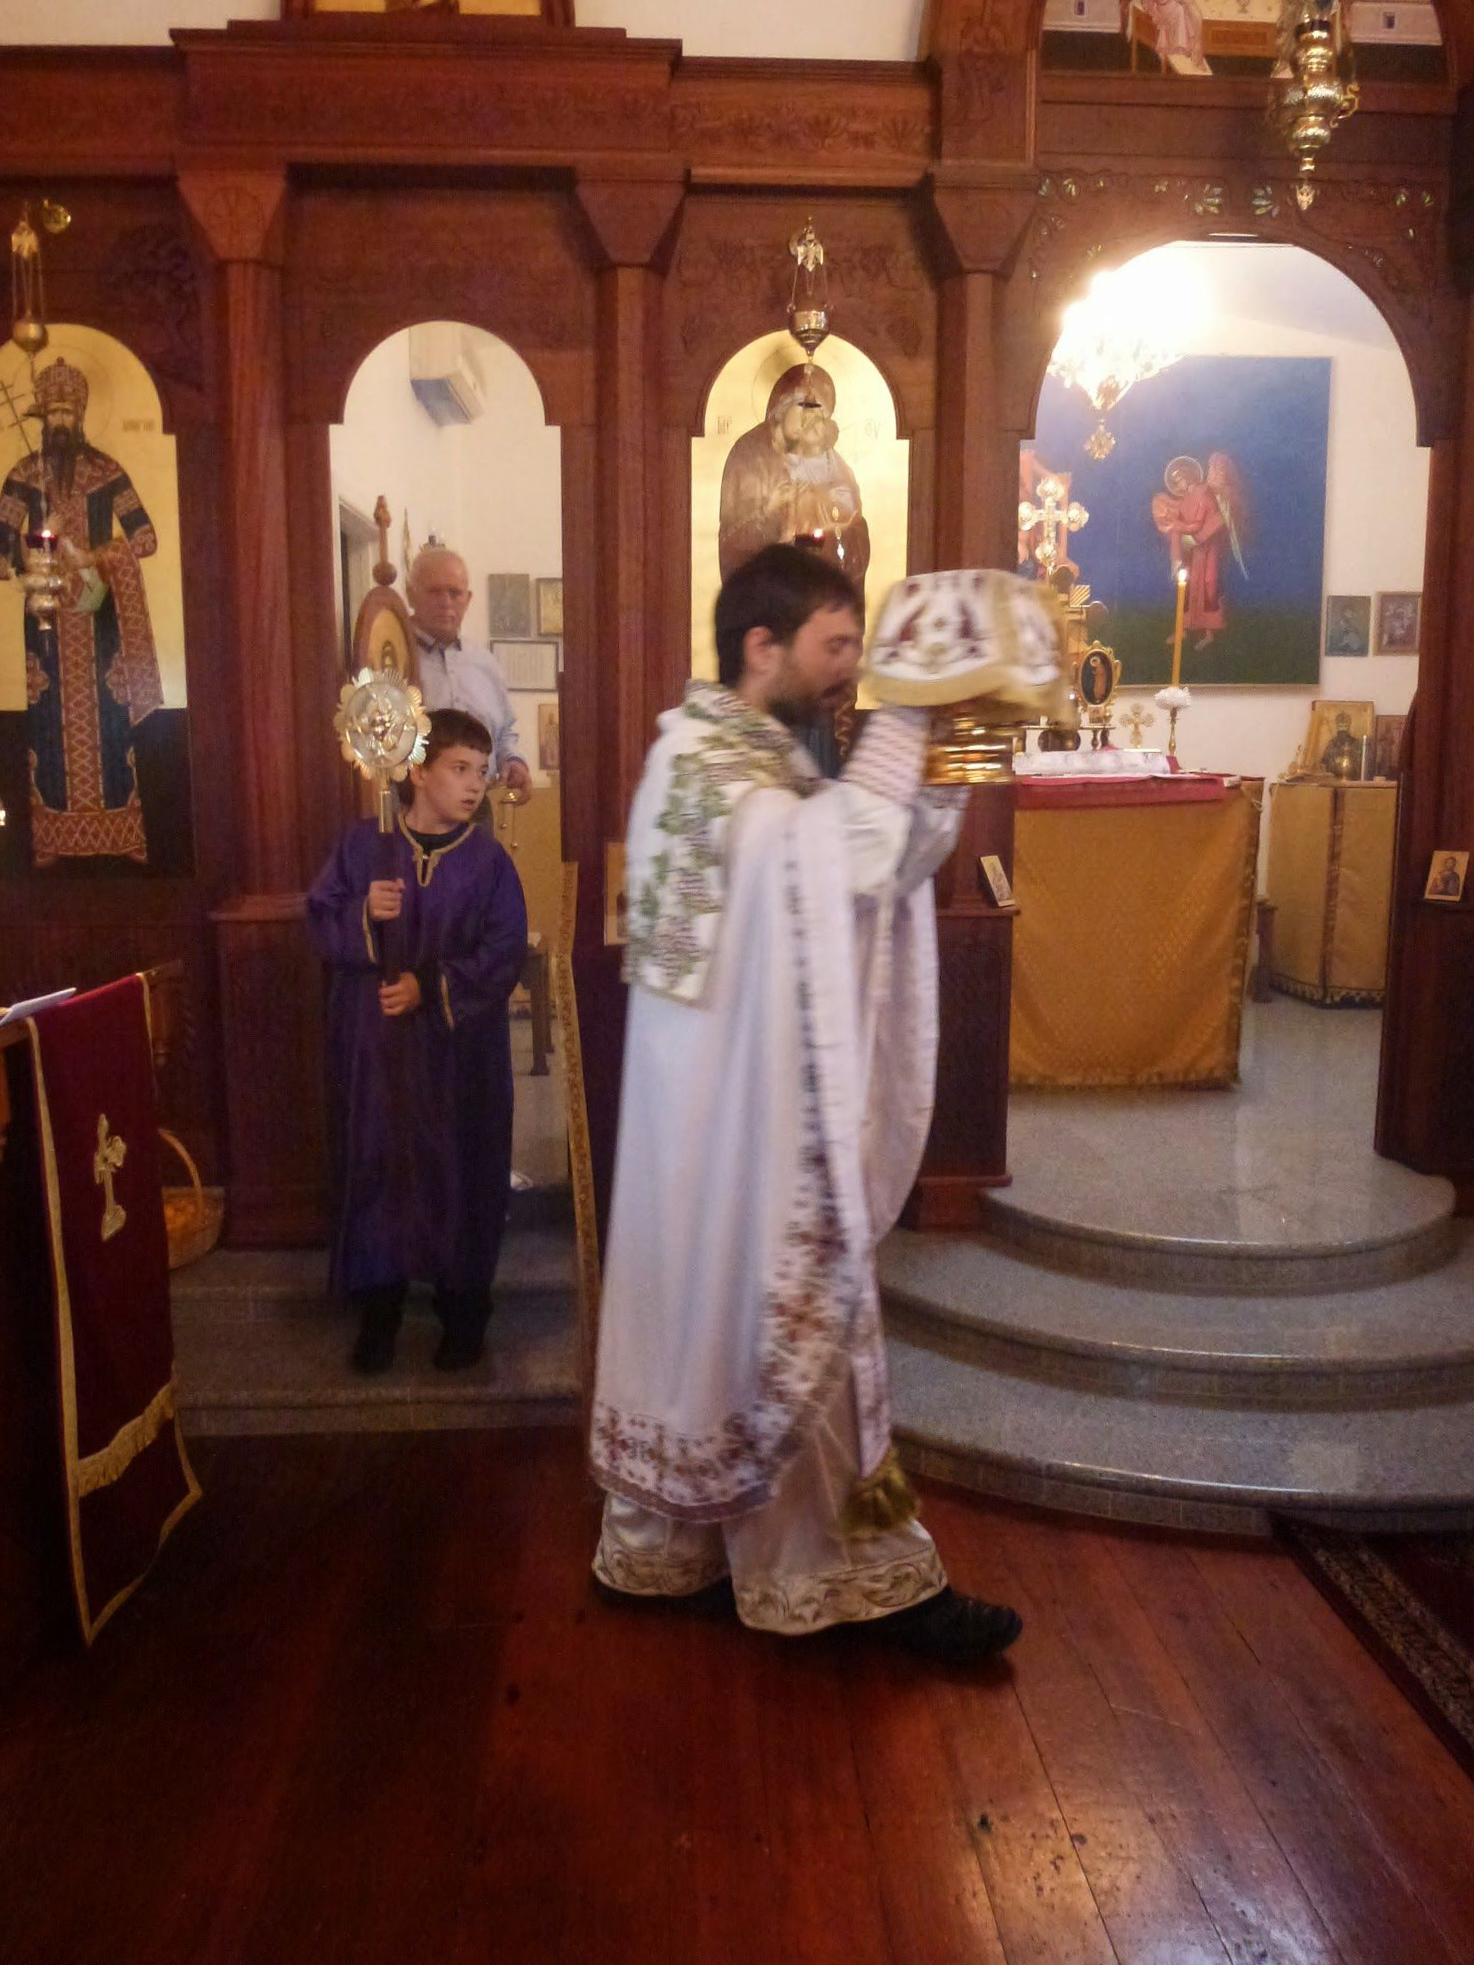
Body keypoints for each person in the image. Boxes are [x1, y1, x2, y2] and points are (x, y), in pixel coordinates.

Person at [589, 542, 1022, 1667]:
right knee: (795, 1330)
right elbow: (828, 860)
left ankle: (674, 1550)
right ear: (761, 646)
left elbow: (861, 865)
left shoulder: (742, 765)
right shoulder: (706, 772)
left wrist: (938, 763)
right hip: (738, 1127)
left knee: (712, 1336)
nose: (848, 671)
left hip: (718, 1118)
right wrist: (910, 720)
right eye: (835, 646)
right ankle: (866, 1581)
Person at [306, 707, 528, 1374]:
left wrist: (428, 986)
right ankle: (379, 1312)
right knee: (381, 1169)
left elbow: (504, 951)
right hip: (378, 1051)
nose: (475, 784)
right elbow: (319, 917)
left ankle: (463, 1313)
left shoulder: (489, 862)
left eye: (481, 771)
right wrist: (363, 915)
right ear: (418, 772)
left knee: (460, 1171)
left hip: (459, 1058)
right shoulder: (363, 846)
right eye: (459, 768)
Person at [0, 355, 164, 866]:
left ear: (81, 415)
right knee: (49, 722)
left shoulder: (106, 472)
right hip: (46, 616)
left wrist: (94, 556)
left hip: (101, 614)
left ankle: (122, 834)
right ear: (42, 417)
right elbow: (0, 550)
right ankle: (52, 839)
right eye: (52, 412)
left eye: (67, 412)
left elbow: (145, 537)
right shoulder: (23, 475)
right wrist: (29, 553)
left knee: (110, 719)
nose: (60, 421)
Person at [719, 364, 870, 587]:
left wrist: (833, 520)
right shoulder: (751, 454)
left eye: (820, 412)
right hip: (769, 589)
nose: (811, 419)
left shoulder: (833, 462)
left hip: (820, 587)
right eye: (804, 406)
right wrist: (771, 513)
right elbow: (734, 541)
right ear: (782, 406)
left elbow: (854, 536)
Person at [405, 546, 534, 803]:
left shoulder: (485, 663)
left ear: (468, 599)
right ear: (411, 595)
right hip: (413, 808)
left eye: (455, 593)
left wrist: (513, 761)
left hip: (478, 806)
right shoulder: (394, 657)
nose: (446, 602)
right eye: (434, 591)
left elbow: (504, 731)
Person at [1151, 451, 1246, 651]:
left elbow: (1197, 524)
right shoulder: (1185, 499)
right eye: (1175, 481)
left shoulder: (1203, 492)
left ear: (1188, 476)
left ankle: (1209, 633)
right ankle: (1183, 630)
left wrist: (1178, 526)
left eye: (1180, 479)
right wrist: (1176, 539)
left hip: (1208, 547)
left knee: (1209, 586)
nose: (1178, 484)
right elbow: (1182, 526)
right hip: (1194, 551)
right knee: (1187, 588)